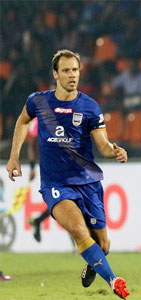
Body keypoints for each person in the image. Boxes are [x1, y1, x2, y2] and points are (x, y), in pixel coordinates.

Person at [6, 49, 130, 299]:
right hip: (56, 184)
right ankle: (113, 280)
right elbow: (22, 122)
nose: (72, 75)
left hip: (88, 182)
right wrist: (14, 156)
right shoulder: (38, 101)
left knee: (103, 245)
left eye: (75, 70)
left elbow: (103, 146)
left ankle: (93, 261)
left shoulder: (89, 106)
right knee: (78, 230)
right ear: (55, 74)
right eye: (66, 71)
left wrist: (114, 151)